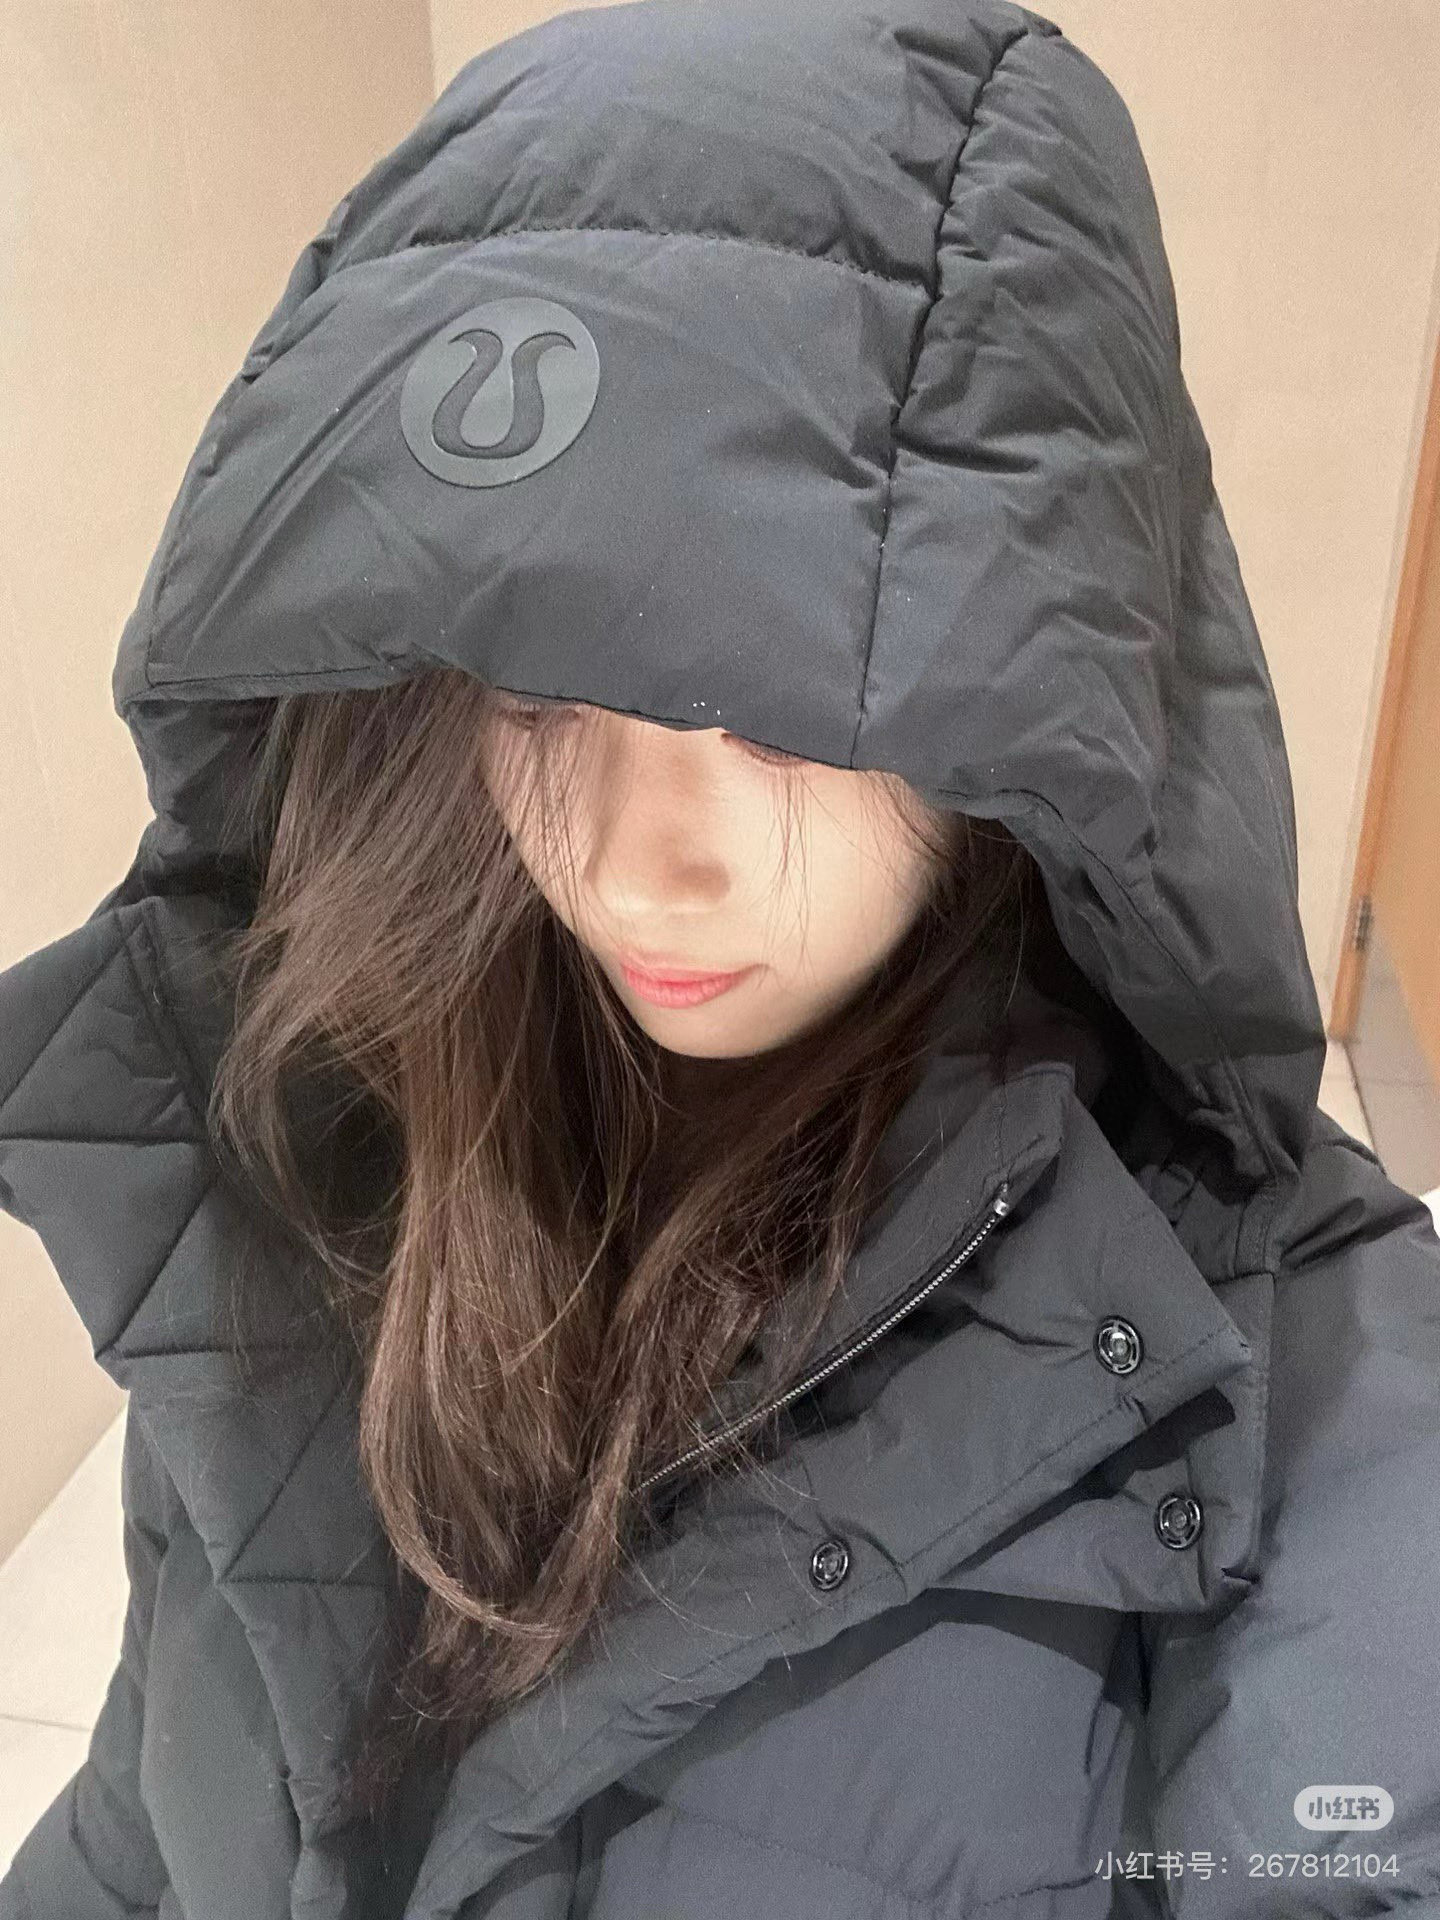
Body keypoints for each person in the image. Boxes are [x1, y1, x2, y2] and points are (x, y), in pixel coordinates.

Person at [2, 0, 1438, 1913]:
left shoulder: (1320, 1409)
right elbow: (132, 1838)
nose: (637, 870)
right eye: (532, 697)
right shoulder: (313, 1160)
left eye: (788, 717)